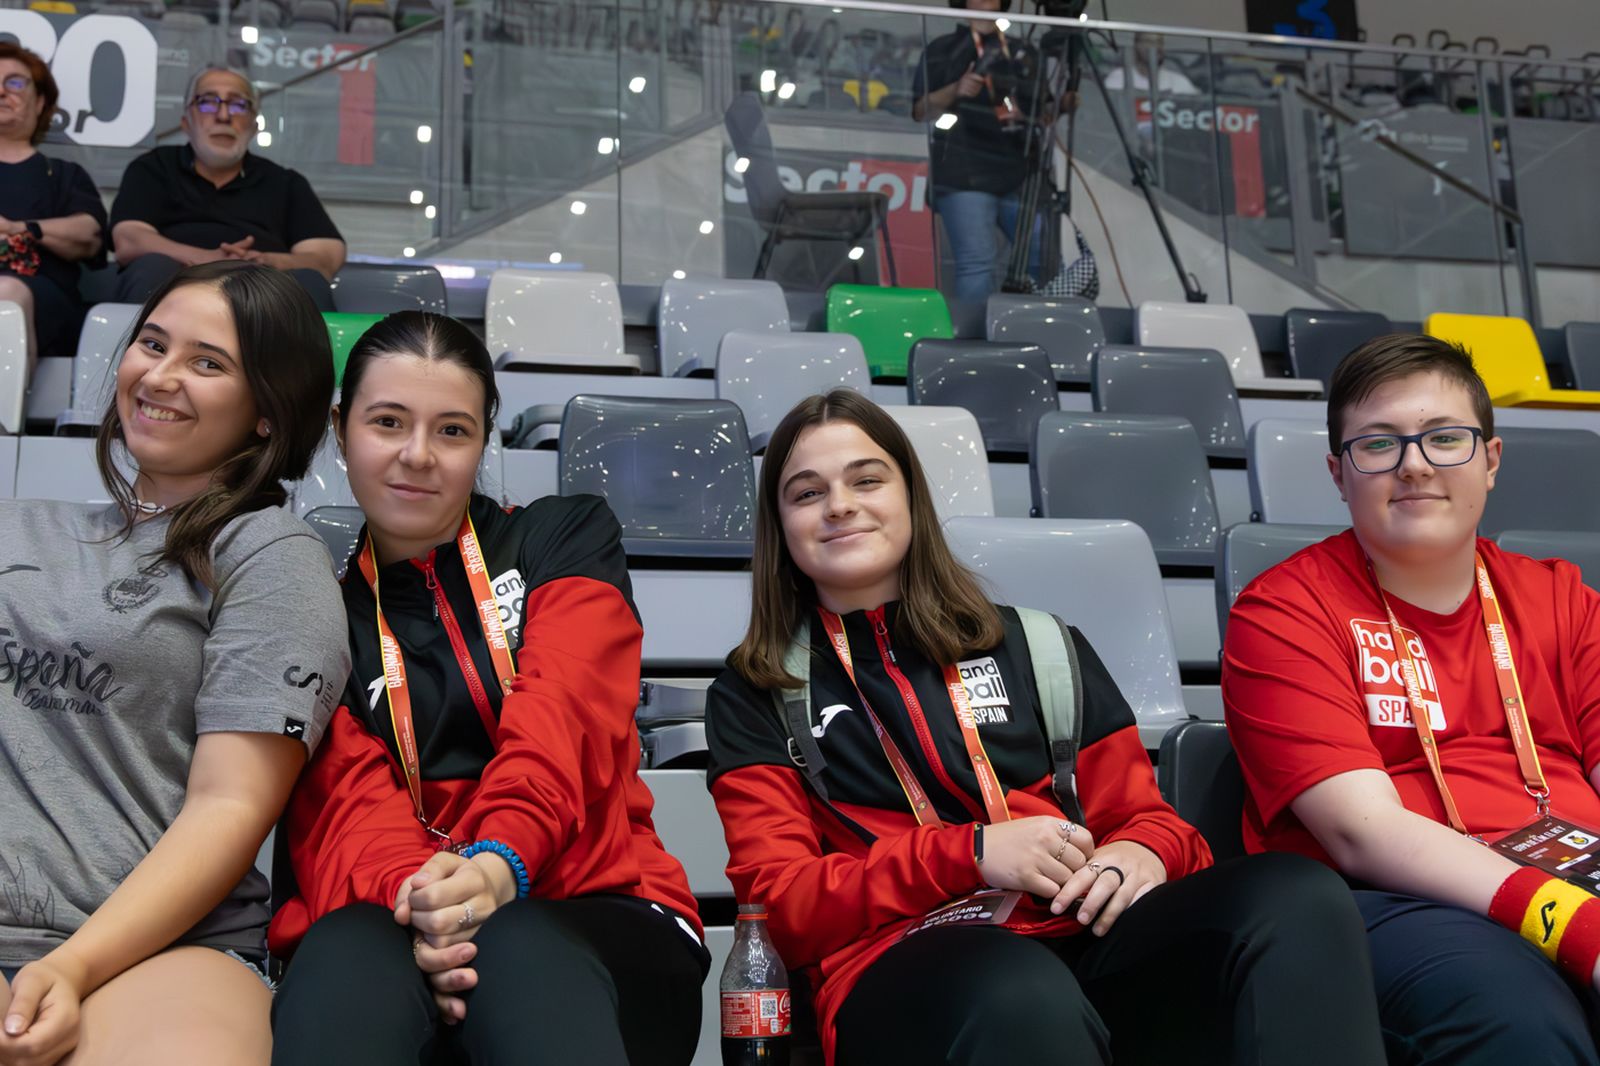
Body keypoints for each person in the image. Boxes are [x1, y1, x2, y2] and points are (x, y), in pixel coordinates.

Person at [705, 388, 1387, 1066]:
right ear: (781, 526)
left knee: (1295, 896)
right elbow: (779, 908)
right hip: (902, 964)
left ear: (910, 495)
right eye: (807, 493)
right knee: (1016, 989)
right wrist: (970, 853)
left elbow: (1154, 823)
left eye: (866, 480)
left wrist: (1142, 854)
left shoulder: (1039, 646)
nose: (840, 505)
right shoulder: (758, 690)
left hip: (1080, 930)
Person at [268, 311, 709, 1066]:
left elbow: (563, 721)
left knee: (518, 947)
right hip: (403, 913)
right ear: (341, 431)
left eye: (451, 431)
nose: (417, 455)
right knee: (341, 960)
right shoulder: (318, 612)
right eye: (387, 422)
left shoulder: (565, 538)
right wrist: (436, 906)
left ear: (482, 443)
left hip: (600, 905)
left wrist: (498, 864)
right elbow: (346, 808)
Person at [0, 260, 348, 1066]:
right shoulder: (18, 526)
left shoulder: (269, 555)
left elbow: (231, 803)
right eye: (152, 344)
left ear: (267, 412)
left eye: (207, 363)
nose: (160, 377)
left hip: (161, 949)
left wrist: (70, 966)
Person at [1224, 333, 1600, 1064]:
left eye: (1445, 438)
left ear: (1491, 460)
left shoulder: (1564, 598)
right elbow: (1363, 834)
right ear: (1339, 475)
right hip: (1400, 901)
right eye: (1378, 444)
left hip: (1579, 872)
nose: (1416, 464)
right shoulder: (1285, 611)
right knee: (1515, 1018)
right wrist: (1574, 925)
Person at [109, 65, 345, 311]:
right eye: (207, 103)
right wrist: (208, 260)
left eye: (238, 105)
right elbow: (129, 240)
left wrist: (263, 261)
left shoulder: (285, 182)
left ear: (254, 126)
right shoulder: (154, 168)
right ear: (186, 122)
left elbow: (326, 257)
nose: (223, 115)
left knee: (309, 281)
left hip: (263, 299)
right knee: (150, 267)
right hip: (174, 287)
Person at [913, 0, 1050, 303]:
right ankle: (974, 333)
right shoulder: (944, 48)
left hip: (1019, 169)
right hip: (964, 169)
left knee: (1043, 259)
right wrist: (955, 89)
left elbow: (1045, 112)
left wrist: (1046, 109)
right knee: (977, 263)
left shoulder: (1023, 51)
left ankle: (1040, 325)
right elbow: (920, 110)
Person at [0, 42, 106, 374]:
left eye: (14, 82)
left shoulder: (63, 174)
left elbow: (89, 235)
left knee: (6, 292)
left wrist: (20, 228)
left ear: (40, 102)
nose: (1, 91)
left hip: (39, 301)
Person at [1102, 32, 1200, 95]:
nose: (1156, 47)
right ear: (1136, 46)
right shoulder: (1118, 78)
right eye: (1149, 42)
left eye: (1159, 42)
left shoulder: (1180, 82)